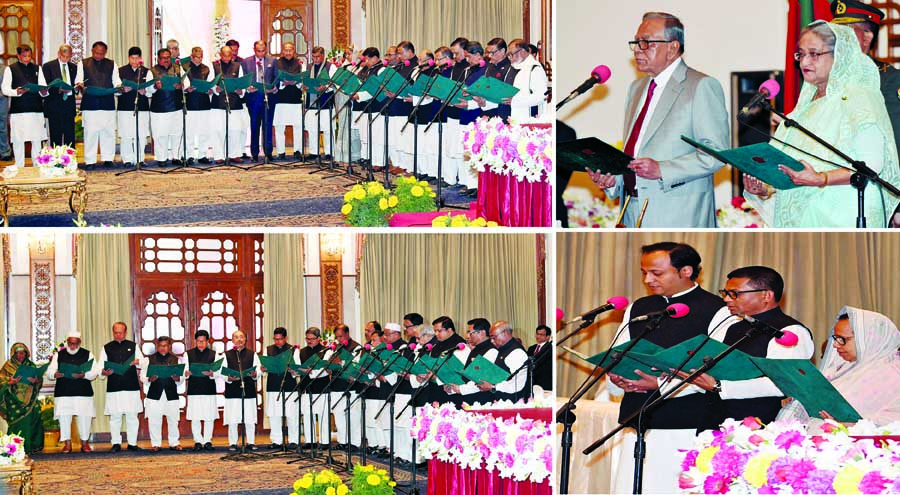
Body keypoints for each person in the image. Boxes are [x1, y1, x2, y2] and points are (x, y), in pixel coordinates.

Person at [743, 21, 900, 227]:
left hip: (846, 216)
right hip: (805, 219)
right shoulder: (804, 108)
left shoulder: (859, 97)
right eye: (800, 54)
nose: (805, 61)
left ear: (839, 57)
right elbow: (788, 166)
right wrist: (765, 188)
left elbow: (871, 165)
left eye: (814, 54)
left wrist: (822, 178)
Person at [605, 242, 732, 494]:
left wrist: (661, 385)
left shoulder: (718, 310)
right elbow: (617, 351)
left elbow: (716, 370)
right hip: (637, 415)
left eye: (656, 273)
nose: (648, 279)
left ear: (685, 271)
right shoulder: (639, 306)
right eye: (644, 272)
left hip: (685, 421)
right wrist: (617, 376)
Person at [588, 12, 729, 228]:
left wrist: (663, 169)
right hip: (630, 209)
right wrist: (613, 179)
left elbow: (716, 153)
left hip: (678, 213)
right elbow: (634, 151)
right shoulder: (637, 89)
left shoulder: (700, 86)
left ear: (672, 48)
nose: (637, 48)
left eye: (646, 42)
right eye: (636, 42)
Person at [676, 266, 814, 428]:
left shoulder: (789, 331)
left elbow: (784, 384)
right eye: (725, 293)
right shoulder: (733, 326)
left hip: (760, 430)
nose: (727, 299)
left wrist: (719, 386)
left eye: (734, 294)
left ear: (766, 295)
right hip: (716, 422)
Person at [817, 307, 900, 424]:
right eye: (835, 338)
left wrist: (848, 426)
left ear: (870, 338)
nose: (835, 345)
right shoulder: (841, 367)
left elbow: (892, 422)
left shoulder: (894, 375)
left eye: (843, 339)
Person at [47, 331, 99, 453]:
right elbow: (50, 371)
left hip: (83, 391)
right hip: (64, 391)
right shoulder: (59, 354)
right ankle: (67, 443)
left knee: (85, 417)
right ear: (67, 342)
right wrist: (55, 374)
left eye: (75, 343)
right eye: (70, 343)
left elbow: (94, 372)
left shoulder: (88, 354)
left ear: (79, 343)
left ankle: (85, 443)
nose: (72, 346)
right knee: (64, 417)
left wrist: (84, 374)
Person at [1, 45, 48, 169]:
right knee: (18, 139)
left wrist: (44, 91)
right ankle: (19, 165)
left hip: (36, 108)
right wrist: (16, 92)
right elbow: (5, 89)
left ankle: (37, 164)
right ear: (18, 56)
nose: (27, 59)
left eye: (29, 56)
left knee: (37, 138)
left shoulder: (38, 68)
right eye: (24, 56)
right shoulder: (10, 69)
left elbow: (43, 86)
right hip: (19, 109)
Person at [99, 321, 143, 452]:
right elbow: (100, 366)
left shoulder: (133, 346)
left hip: (131, 386)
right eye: (116, 332)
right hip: (114, 387)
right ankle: (116, 443)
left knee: (132, 416)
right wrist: (104, 372)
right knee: (115, 417)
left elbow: (143, 362)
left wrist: (137, 362)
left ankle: (132, 443)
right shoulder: (106, 347)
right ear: (113, 332)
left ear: (125, 332)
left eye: (120, 332)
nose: (118, 335)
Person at [75, 41, 120, 168]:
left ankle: (108, 158)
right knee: (91, 133)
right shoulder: (83, 63)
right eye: (96, 53)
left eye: (101, 53)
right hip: (90, 103)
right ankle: (90, 161)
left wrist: (119, 86)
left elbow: (116, 81)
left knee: (108, 132)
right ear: (92, 51)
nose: (98, 55)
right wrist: (80, 85)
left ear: (105, 53)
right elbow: (78, 79)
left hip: (107, 102)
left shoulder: (112, 64)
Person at [140, 336, 183, 452]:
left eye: (165, 346)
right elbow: (142, 377)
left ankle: (174, 443)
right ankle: (156, 444)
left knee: (173, 420)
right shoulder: (149, 359)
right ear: (157, 346)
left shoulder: (176, 359)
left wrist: (177, 378)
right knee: (154, 419)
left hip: (171, 393)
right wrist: (150, 379)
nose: (162, 348)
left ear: (169, 347)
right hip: (154, 393)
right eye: (160, 346)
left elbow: (182, 378)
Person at [148, 48, 188, 166]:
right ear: (158, 58)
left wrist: (181, 85)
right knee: (161, 135)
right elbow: (147, 90)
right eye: (163, 58)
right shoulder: (152, 71)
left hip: (176, 106)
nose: (166, 60)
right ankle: (162, 158)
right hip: (159, 108)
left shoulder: (177, 68)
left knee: (176, 133)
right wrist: (155, 86)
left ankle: (176, 156)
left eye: (168, 57)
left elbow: (188, 85)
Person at [0, 343, 43, 453]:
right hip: (13, 398)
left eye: (23, 353)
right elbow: (1, 381)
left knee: (36, 411)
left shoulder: (31, 365)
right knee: (17, 419)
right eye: (18, 353)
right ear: (14, 354)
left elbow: (39, 379)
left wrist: (36, 381)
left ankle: (33, 446)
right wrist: (10, 381)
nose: (21, 355)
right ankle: (15, 447)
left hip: (30, 397)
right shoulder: (8, 366)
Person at [262, 327, 300, 450]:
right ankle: (276, 440)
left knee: (292, 414)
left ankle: (294, 440)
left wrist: (294, 370)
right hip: (273, 385)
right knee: (274, 415)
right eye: (275, 339)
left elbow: (298, 368)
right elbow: (262, 367)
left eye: (280, 339)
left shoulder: (293, 350)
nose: (277, 342)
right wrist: (263, 369)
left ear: (285, 338)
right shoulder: (268, 349)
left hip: (289, 385)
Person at [222, 329, 260, 450]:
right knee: (233, 419)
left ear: (245, 339)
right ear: (232, 340)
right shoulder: (226, 354)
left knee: (249, 418)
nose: (239, 339)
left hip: (248, 389)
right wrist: (228, 377)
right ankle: (233, 442)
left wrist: (255, 374)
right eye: (236, 337)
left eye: (241, 337)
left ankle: (251, 442)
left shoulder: (252, 354)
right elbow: (221, 371)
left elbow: (258, 369)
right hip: (232, 389)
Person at [184, 330, 220, 451]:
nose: (201, 344)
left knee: (209, 416)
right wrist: (186, 373)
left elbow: (218, 372)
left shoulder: (214, 354)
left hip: (208, 387)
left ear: (208, 342)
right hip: (194, 388)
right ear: (195, 341)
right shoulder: (188, 354)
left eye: (203, 341)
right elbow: (184, 371)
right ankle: (198, 440)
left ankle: (208, 440)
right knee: (195, 416)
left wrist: (212, 373)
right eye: (199, 341)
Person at [211, 46, 247, 164]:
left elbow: (242, 82)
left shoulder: (238, 66)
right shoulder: (214, 66)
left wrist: (241, 91)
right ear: (220, 55)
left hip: (234, 101)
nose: (227, 58)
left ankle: (234, 154)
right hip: (218, 102)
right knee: (218, 130)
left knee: (235, 129)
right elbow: (210, 83)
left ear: (232, 55)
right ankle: (219, 156)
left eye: (229, 55)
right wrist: (215, 88)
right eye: (224, 55)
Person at [446, 318, 495, 406]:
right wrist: (452, 387)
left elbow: (482, 380)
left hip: (481, 401)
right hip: (468, 398)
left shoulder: (491, 350)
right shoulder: (475, 349)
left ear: (482, 332)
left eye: (471, 333)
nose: (468, 336)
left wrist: (460, 389)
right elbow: (468, 375)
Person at [242, 41, 277, 162]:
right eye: (258, 51)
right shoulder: (246, 61)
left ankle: (268, 152)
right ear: (254, 49)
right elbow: (244, 78)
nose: (261, 53)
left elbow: (276, 77)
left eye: (263, 51)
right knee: (254, 125)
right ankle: (255, 153)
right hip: (253, 97)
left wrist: (274, 87)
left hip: (268, 96)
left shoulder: (272, 61)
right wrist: (247, 87)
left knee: (267, 124)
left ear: (266, 49)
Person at [117, 47, 151, 168]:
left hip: (142, 106)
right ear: (128, 58)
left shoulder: (146, 71)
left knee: (141, 134)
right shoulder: (120, 71)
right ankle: (127, 159)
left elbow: (151, 90)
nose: (134, 61)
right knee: (126, 134)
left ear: (141, 58)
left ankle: (140, 159)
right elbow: (116, 89)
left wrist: (145, 91)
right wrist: (122, 89)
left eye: (137, 58)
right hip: (125, 106)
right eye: (132, 58)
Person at [328, 323, 361, 449]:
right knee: (339, 415)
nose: (339, 339)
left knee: (353, 415)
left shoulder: (356, 347)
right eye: (337, 337)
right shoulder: (337, 348)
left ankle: (354, 442)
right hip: (336, 384)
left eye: (341, 336)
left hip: (350, 386)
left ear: (347, 334)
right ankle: (343, 441)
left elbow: (357, 367)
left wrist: (340, 362)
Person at [303, 46, 337, 161]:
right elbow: (302, 81)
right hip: (311, 101)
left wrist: (325, 87)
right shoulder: (308, 67)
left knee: (327, 128)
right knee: (312, 129)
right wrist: (303, 86)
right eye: (313, 57)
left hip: (325, 101)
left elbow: (335, 84)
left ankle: (329, 152)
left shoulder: (330, 67)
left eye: (317, 57)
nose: (315, 59)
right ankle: (314, 152)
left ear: (323, 56)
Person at [297, 327, 329, 449]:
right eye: (307, 338)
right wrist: (296, 371)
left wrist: (312, 372)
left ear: (319, 338)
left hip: (321, 387)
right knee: (307, 414)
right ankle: (310, 440)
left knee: (322, 416)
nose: (309, 341)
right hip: (306, 386)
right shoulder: (302, 351)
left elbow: (327, 369)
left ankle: (324, 441)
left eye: (312, 339)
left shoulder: (326, 351)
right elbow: (299, 367)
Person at [42, 44, 78, 147]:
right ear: (59, 54)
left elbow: (76, 83)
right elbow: (45, 85)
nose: (66, 59)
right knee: (55, 134)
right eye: (64, 56)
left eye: (68, 57)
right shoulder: (48, 66)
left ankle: (70, 158)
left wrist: (76, 88)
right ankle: (56, 159)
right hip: (54, 105)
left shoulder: (74, 67)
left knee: (69, 134)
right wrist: (58, 90)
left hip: (69, 105)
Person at [273, 42, 304, 160]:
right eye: (286, 50)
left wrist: (296, 82)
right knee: (280, 126)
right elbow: (273, 77)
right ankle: (281, 151)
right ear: (282, 51)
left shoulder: (300, 63)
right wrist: (282, 83)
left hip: (295, 98)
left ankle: (298, 150)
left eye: (290, 50)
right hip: (281, 99)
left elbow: (303, 78)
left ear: (294, 51)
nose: (288, 52)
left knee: (297, 126)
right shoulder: (276, 63)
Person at [184, 47, 215, 163]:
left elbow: (211, 83)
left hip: (204, 102)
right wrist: (187, 88)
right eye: (197, 57)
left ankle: (202, 154)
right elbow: (182, 85)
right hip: (190, 103)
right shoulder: (185, 68)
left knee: (204, 131)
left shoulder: (206, 69)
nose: (199, 59)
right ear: (192, 56)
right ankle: (189, 155)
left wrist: (210, 90)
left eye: (201, 57)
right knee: (190, 132)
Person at [508, 38, 549, 121]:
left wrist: (515, 100)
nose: (510, 58)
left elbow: (542, 96)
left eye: (512, 54)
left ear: (522, 51)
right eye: (509, 55)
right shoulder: (516, 67)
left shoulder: (534, 68)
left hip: (529, 117)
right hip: (516, 115)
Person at [528, 324, 553, 391]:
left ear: (547, 337)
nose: (538, 336)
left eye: (541, 335)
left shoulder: (551, 349)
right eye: (537, 334)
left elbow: (548, 367)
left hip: (544, 383)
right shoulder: (531, 348)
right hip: (531, 383)